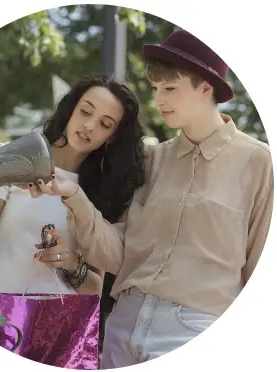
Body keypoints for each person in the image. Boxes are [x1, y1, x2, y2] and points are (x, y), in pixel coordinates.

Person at [27, 29, 274, 368]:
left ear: (206, 87)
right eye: (156, 88)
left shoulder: (259, 162)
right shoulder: (154, 160)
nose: (159, 100)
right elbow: (119, 254)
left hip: (195, 329)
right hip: (124, 325)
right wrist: (74, 195)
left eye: (170, 89)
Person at [0, 74, 146, 315]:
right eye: (86, 111)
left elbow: (94, 289)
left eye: (105, 124)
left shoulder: (100, 192)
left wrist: (70, 262)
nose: (90, 126)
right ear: (71, 109)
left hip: (58, 330)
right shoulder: (10, 161)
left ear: (111, 137)